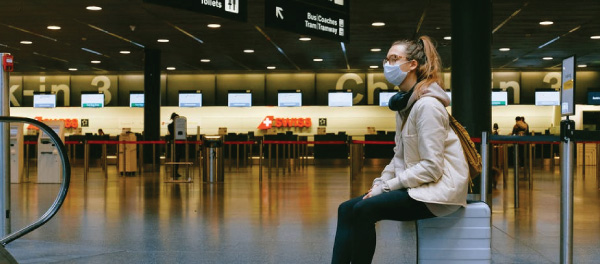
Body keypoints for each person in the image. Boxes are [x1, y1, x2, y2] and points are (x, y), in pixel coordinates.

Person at [331, 36, 469, 264]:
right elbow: (400, 156)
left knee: (364, 211)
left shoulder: (427, 106)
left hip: (438, 193)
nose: (388, 64)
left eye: (395, 58)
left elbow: (432, 168)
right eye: (387, 59)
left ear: (413, 64)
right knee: (346, 209)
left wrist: (386, 188)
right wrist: (379, 182)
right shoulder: (406, 106)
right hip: (420, 187)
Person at [167, 112, 183, 178]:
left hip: (173, 144)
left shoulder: (170, 126)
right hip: (176, 144)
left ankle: (175, 172)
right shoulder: (177, 126)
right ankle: (174, 172)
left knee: (175, 158)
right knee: (176, 158)